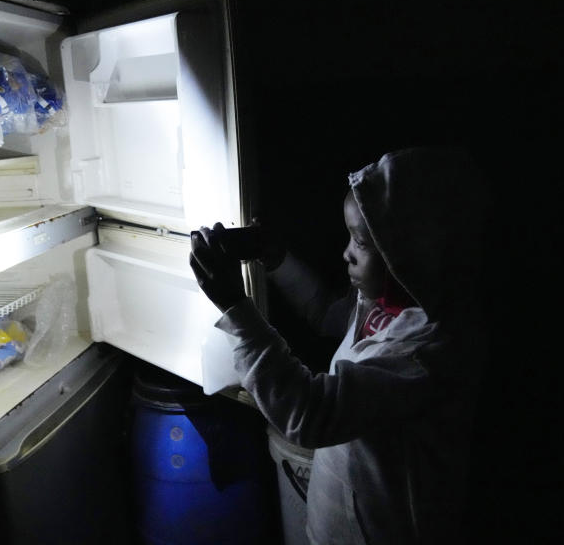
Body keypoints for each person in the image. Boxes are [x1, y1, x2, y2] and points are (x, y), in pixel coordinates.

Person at [189, 148, 492, 544]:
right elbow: (325, 311)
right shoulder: (387, 303)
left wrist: (236, 309)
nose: (346, 252)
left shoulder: (424, 354)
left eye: (362, 242)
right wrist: (275, 257)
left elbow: (309, 412)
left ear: (412, 251)